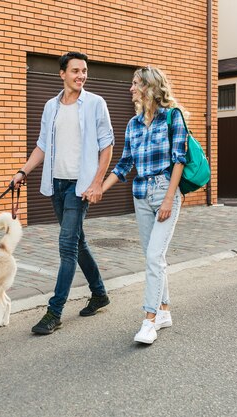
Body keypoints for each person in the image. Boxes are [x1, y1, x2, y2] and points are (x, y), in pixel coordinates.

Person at [12, 51, 114, 335]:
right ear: (62, 74)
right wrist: (23, 172)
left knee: (67, 246)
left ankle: (54, 312)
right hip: (56, 183)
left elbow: (107, 145)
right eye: (75, 71)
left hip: (79, 187)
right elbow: (42, 145)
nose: (81, 76)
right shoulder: (50, 106)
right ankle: (99, 293)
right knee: (78, 243)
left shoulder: (95, 103)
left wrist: (96, 183)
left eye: (84, 71)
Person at [101, 66, 187, 344]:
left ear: (150, 87)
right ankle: (164, 311)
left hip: (165, 191)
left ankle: (149, 321)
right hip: (140, 195)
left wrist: (168, 198)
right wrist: (99, 189)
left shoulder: (173, 117)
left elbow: (179, 159)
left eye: (136, 83)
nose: (131, 88)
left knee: (153, 257)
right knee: (154, 257)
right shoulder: (133, 124)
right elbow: (125, 164)